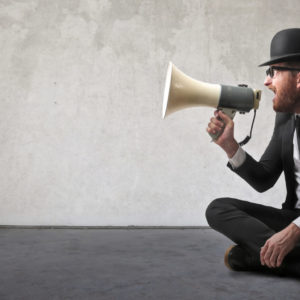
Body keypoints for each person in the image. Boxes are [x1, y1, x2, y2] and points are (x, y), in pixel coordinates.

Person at [205, 28, 300, 277]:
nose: (267, 82)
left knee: (243, 254)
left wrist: (294, 231)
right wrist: (229, 145)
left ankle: (262, 256)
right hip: (294, 216)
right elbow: (264, 179)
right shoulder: (286, 119)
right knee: (217, 209)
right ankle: (278, 257)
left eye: (274, 72)